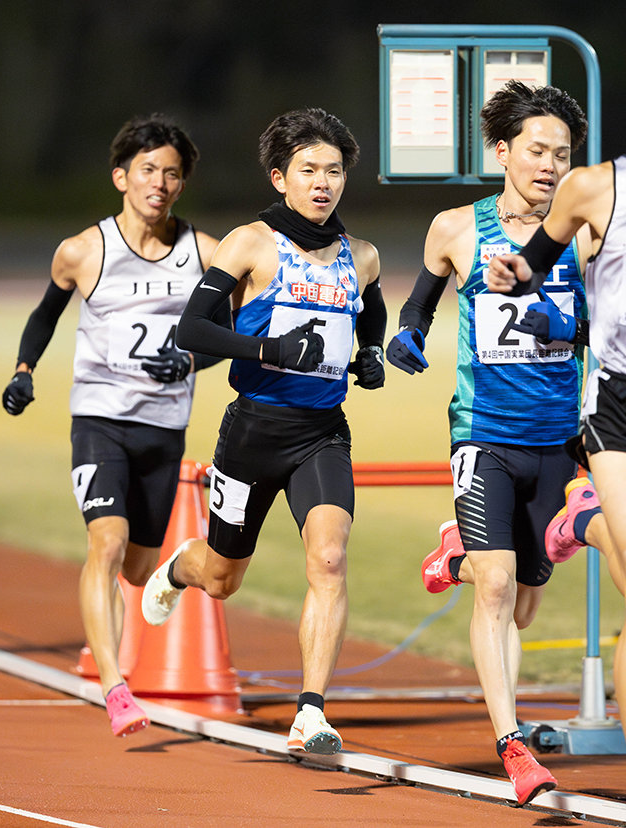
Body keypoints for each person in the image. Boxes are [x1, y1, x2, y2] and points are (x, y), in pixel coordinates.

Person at [141, 107, 386, 755]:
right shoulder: (248, 243)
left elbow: (373, 312)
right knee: (224, 576)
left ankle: (311, 712)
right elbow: (192, 332)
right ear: (280, 178)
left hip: (322, 433)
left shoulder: (360, 256)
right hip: (251, 431)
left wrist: (372, 356)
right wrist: (271, 351)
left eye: (334, 171)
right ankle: (180, 567)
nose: (323, 183)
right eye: (308, 170)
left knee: (330, 558)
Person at [386, 81, 589, 805]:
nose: (549, 166)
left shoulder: (589, 234)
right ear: (502, 152)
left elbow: (609, 331)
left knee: (526, 593)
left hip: (560, 439)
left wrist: (560, 330)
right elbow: (419, 302)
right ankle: (513, 746)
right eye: (537, 151)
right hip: (484, 435)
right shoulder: (456, 229)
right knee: (498, 587)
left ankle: (456, 554)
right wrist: (406, 337)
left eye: (563, 155)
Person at [2, 114, 224, 737]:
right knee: (106, 543)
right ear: (122, 176)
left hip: (165, 427)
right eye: (148, 169)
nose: (159, 182)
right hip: (100, 419)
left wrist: (191, 357)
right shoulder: (82, 251)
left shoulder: (205, 254)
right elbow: (47, 314)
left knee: (136, 568)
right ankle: (114, 685)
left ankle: (175, 568)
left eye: (172, 173)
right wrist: (24, 370)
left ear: (182, 184)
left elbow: (231, 336)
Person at [488, 150, 626, 738]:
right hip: (617, 404)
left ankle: (579, 521)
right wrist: (516, 274)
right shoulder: (597, 187)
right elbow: (534, 263)